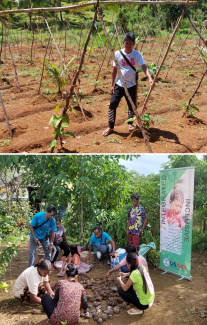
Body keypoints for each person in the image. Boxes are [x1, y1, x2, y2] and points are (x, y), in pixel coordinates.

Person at [103, 32, 154, 136]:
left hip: (132, 84)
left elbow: (144, 66)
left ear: (133, 44)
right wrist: (112, 85)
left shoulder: (137, 54)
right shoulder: (117, 54)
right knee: (113, 103)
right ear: (123, 43)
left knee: (132, 105)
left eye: (130, 43)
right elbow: (114, 70)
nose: (128, 45)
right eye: (126, 43)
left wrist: (150, 77)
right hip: (119, 84)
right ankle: (110, 127)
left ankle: (130, 123)